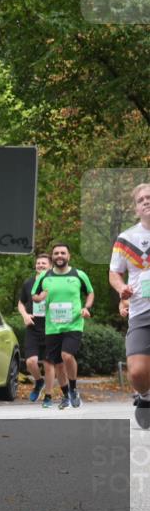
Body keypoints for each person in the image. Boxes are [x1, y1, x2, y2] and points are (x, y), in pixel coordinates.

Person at [32, 243, 94, 410]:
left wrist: (86, 308)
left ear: (69, 256)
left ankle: (73, 389)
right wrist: (40, 297)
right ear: (52, 257)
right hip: (52, 326)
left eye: (63, 253)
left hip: (74, 323)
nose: (59, 256)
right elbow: (34, 296)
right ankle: (66, 394)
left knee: (67, 355)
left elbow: (90, 292)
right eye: (56, 253)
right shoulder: (44, 276)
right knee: (58, 363)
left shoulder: (78, 275)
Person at [109, 182, 150, 429]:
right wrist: (121, 289)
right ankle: (145, 395)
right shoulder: (126, 239)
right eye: (141, 199)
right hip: (141, 311)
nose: (146, 201)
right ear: (136, 208)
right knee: (136, 372)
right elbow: (114, 273)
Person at [18, 253, 52, 402]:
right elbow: (21, 303)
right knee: (30, 361)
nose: (40, 265)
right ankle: (39, 381)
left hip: (51, 327)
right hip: (33, 326)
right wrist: (25, 315)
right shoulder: (29, 283)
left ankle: (48, 395)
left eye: (44, 263)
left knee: (48, 363)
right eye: (38, 263)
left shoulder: (55, 282)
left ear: (50, 266)